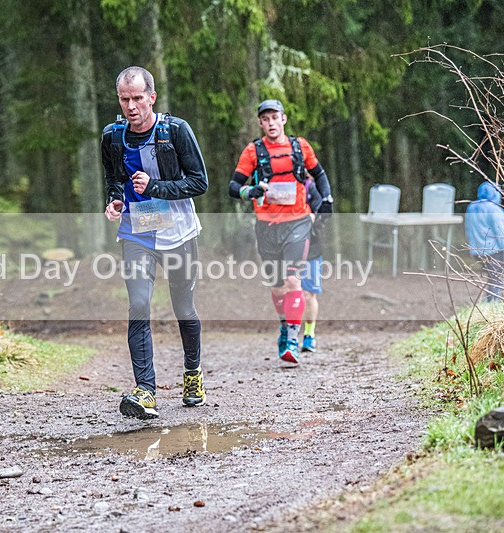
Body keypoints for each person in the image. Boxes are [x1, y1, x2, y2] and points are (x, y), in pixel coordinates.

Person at [102, 66, 209, 419]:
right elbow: (115, 179)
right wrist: (116, 200)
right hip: (137, 231)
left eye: (137, 98)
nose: (131, 106)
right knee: (138, 303)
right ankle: (145, 391)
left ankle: (192, 374)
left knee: (183, 307)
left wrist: (156, 188)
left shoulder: (176, 131)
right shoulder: (112, 136)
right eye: (124, 99)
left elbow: (199, 182)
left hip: (178, 231)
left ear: (151, 96)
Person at [228, 99, 333, 365]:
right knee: (277, 287)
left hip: (298, 222)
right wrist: (248, 191)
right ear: (261, 123)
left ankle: (292, 342)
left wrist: (328, 199)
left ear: (284, 119)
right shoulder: (253, 151)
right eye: (266, 119)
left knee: (293, 281)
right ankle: (285, 325)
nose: (271, 123)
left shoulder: (301, 147)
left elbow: (319, 175)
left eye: (275, 117)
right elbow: (233, 186)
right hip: (266, 227)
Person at [465, 181, 504, 302]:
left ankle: (489, 303)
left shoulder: (471, 208)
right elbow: (501, 233)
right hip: (495, 251)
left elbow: (468, 230)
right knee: (497, 279)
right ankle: (493, 304)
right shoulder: (494, 210)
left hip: (477, 251)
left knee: (492, 278)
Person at [301, 178, 326, 353]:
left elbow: (322, 211)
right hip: (283, 247)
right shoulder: (275, 182)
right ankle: (289, 333)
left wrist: (309, 217)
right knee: (288, 292)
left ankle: (309, 335)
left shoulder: (311, 187)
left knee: (308, 294)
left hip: (311, 247)